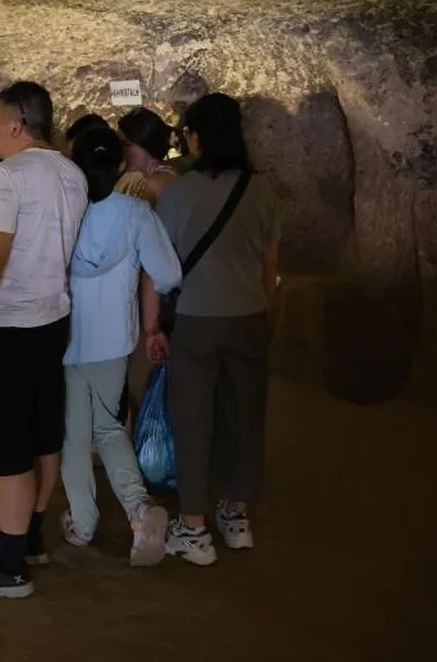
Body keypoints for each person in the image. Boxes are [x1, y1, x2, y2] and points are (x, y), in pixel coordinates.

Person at [0, 81, 87, 599]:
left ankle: (9, 568)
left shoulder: (8, 176)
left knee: (9, 451)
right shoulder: (72, 174)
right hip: (55, 322)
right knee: (44, 435)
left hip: (12, 326)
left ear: (14, 124)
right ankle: (30, 538)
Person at [155, 93, 280, 566]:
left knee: (193, 419)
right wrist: (260, 306)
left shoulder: (179, 193)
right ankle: (237, 515)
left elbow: (162, 268)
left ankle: (193, 527)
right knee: (243, 415)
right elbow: (270, 266)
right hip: (248, 315)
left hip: (195, 320)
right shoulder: (262, 189)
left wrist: (153, 324)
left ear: (198, 136)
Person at [60, 128, 181, 566]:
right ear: (119, 166)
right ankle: (139, 510)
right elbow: (166, 274)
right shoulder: (136, 213)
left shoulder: (65, 214)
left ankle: (83, 521)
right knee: (109, 429)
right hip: (114, 341)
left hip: (67, 340)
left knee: (74, 435)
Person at [118, 107, 178, 206]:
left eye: (125, 144)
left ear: (146, 146)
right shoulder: (154, 176)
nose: (121, 149)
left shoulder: (156, 182)